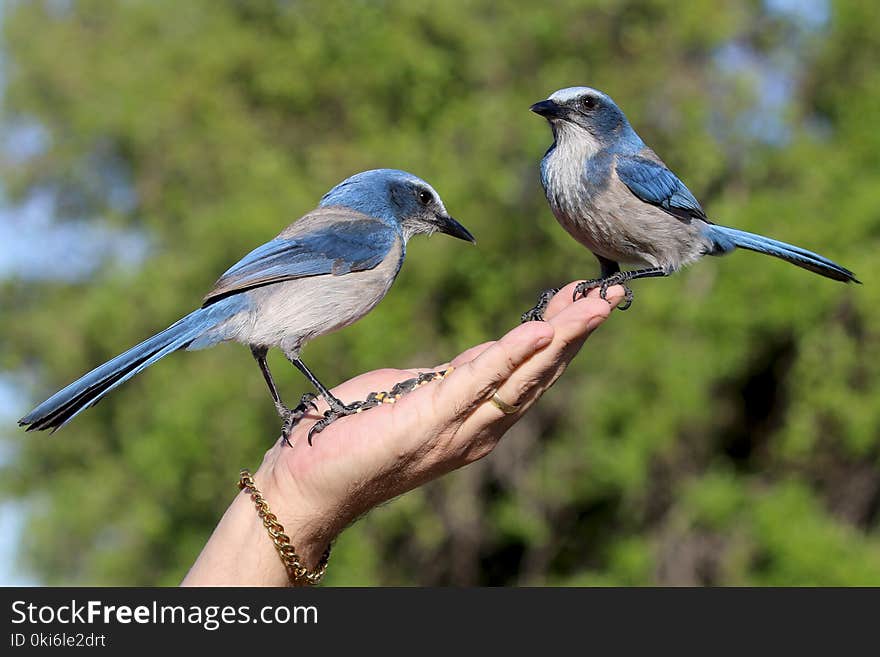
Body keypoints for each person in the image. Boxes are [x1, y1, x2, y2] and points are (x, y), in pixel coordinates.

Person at [182, 283, 624, 586]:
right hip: (257, 296)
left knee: (271, 346)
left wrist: (291, 491)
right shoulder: (374, 234)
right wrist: (332, 412)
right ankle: (313, 406)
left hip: (252, 299)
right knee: (287, 347)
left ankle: (291, 408)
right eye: (423, 201)